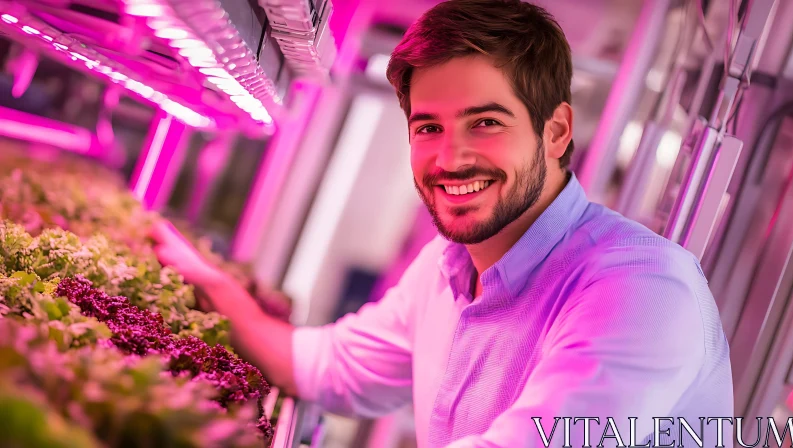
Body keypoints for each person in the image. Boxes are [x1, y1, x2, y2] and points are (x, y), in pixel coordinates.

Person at [151, 1, 734, 446]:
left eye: (485, 122)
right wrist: (211, 282)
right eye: (429, 127)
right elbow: (327, 367)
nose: (451, 158)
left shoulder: (642, 290)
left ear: (555, 132)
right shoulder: (446, 267)